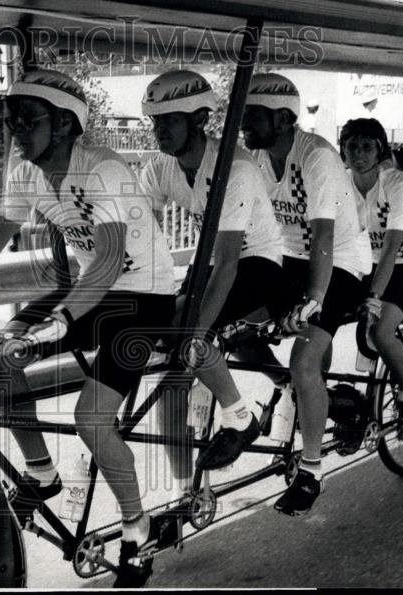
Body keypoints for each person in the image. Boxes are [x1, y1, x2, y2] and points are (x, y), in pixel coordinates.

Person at [0, 68, 178, 587]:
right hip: (87, 293)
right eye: (11, 119)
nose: (16, 129)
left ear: (65, 126)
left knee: (92, 420)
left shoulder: (104, 168)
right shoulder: (24, 171)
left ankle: (136, 526)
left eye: (28, 120)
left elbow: (108, 258)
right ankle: (42, 474)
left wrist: (60, 320)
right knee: (4, 353)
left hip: (142, 296)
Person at [136, 70, 286, 494]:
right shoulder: (161, 167)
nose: (160, 130)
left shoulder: (233, 167)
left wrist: (194, 330)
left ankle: (240, 416)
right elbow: (139, 237)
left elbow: (228, 264)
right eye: (155, 121)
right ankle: (187, 492)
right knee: (169, 378)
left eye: (171, 120)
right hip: (210, 262)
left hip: (256, 263)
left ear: (200, 120)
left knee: (187, 332)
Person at [241, 73, 371, 516]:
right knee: (236, 331)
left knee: (304, 358)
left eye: (252, 115)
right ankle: (299, 389)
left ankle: (311, 472)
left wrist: (313, 299)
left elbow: (323, 233)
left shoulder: (316, 156)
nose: (243, 123)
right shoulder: (256, 157)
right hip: (290, 258)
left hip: (341, 264)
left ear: (281, 118)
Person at [340, 118, 403, 437]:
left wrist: (374, 299)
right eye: (352, 145)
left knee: (380, 331)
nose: (358, 153)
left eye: (367, 146)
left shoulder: (397, 185)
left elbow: (393, 248)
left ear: (380, 150)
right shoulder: (343, 183)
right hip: (372, 263)